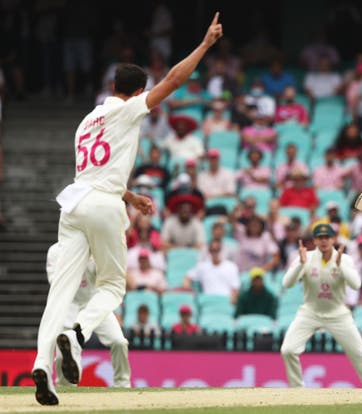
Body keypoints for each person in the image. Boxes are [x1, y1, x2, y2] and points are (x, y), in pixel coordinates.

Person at [31, 12, 223, 405]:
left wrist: (130, 195)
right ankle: (78, 333)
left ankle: (41, 364)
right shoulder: (127, 109)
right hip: (101, 206)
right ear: (136, 93)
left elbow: (96, 172)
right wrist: (204, 45)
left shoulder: (86, 121)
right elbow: (172, 81)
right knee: (113, 285)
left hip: (75, 203)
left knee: (60, 295)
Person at [280, 224, 362, 388]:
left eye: (327, 237)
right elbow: (287, 283)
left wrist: (340, 266)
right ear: (314, 240)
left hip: (338, 314)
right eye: (320, 238)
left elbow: (356, 284)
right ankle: (297, 390)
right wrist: (300, 264)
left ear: (333, 239)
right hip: (310, 312)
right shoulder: (305, 257)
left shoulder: (344, 259)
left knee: (359, 354)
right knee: (288, 350)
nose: (324, 241)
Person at [46, 243, 131, 388]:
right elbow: (55, 283)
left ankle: (122, 384)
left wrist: (92, 258)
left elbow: (105, 280)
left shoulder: (95, 248)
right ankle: (64, 388)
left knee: (119, 342)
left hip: (94, 304)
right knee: (62, 354)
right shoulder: (55, 251)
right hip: (68, 307)